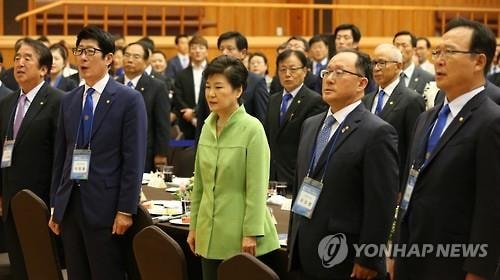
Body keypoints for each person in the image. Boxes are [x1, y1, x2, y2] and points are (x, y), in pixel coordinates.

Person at [394, 17, 500, 280]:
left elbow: (491, 207)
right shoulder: (426, 118)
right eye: (437, 52)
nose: (439, 60)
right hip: (412, 256)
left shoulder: (492, 121)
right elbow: (411, 187)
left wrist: (478, 271)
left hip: (454, 264)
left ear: (479, 61)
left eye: (450, 52)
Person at [288, 49, 398, 279]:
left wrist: (368, 257)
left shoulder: (377, 132)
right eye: (327, 72)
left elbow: (381, 204)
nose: (329, 78)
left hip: (344, 254)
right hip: (303, 248)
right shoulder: (310, 124)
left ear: (361, 83)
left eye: (339, 72)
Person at [49, 26, 147, 280]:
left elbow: (133, 159)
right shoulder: (69, 100)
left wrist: (126, 209)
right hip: (71, 205)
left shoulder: (128, 99)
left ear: (109, 58)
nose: (82, 57)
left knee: (106, 273)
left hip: (106, 207)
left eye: (90, 51)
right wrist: (55, 206)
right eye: (79, 51)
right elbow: (61, 156)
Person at [187, 55, 279, 280]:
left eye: (219, 87)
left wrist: (251, 233)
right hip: (208, 232)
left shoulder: (252, 128)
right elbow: (200, 184)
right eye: (208, 86)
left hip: (240, 234)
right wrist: (194, 226)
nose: (211, 93)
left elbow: (257, 187)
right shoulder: (207, 126)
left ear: (238, 91)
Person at [0, 38, 63, 280]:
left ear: (44, 69)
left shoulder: (58, 100)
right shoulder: (6, 102)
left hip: (43, 199)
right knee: (19, 265)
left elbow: (61, 155)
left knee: (42, 267)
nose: (20, 63)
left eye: (28, 58)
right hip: (11, 198)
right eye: (17, 58)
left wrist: (57, 201)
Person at [265, 49, 326, 195]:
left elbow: (311, 143)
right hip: (271, 178)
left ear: (305, 71)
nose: (287, 74)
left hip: (295, 176)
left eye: (293, 69)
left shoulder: (314, 101)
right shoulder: (273, 99)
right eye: (282, 69)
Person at [362, 43, 424, 178]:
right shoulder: (366, 100)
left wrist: (403, 186)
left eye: (382, 63)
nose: (376, 68)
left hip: (393, 176)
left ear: (398, 66)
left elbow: (413, 149)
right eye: (374, 63)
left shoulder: (411, 100)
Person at [195, 31, 269, 131]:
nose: (224, 53)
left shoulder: (256, 81)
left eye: (230, 49)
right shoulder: (209, 77)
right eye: (221, 49)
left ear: (243, 53)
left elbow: (262, 119)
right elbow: (202, 118)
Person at [117, 42, 170, 172]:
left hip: (145, 151)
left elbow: (162, 123)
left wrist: (161, 153)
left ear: (146, 62)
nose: (130, 60)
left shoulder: (157, 86)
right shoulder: (114, 84)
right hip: (115, 152)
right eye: (127, 55)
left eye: (136, 57)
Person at [173, 35, 208, 140]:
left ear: (207, 51)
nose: (197, 51)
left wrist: (195, 112)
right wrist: (190, 115)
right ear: (189, 51)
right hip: (186, 122)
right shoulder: (181, 74)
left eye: (201, 48)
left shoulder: (214, 72)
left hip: (209, 119)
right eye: (194, 48)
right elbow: (178, 97)